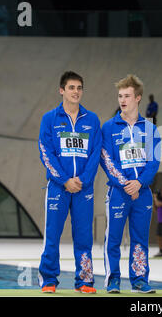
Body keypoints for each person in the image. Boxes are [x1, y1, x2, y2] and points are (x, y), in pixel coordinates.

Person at [37, 71, 102, 294]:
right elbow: (46, 153)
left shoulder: (92, 119)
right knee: (52, 234)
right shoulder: (49, 119)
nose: (76, 92)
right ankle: (48, 280)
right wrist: (65, 180)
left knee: (84, 235)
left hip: (84, 188)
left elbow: (95, 154)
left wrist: (82, 180)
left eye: (79, 88)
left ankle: (84, 281)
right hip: (58, 187)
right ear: (61, 90)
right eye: (72, 87)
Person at [100, 74, 161, 294]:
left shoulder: (150, 129)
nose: (122, 100)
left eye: (127, 95)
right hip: (118, 192)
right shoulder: (108, 127)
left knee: (140, 239)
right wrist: (127, 184)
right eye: (120, 96)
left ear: (138, 98)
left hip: (142, 193)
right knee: (113, 238)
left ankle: (139, 280)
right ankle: (113, 280)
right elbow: (106, 159)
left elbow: (154, 161)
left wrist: (140, 183)